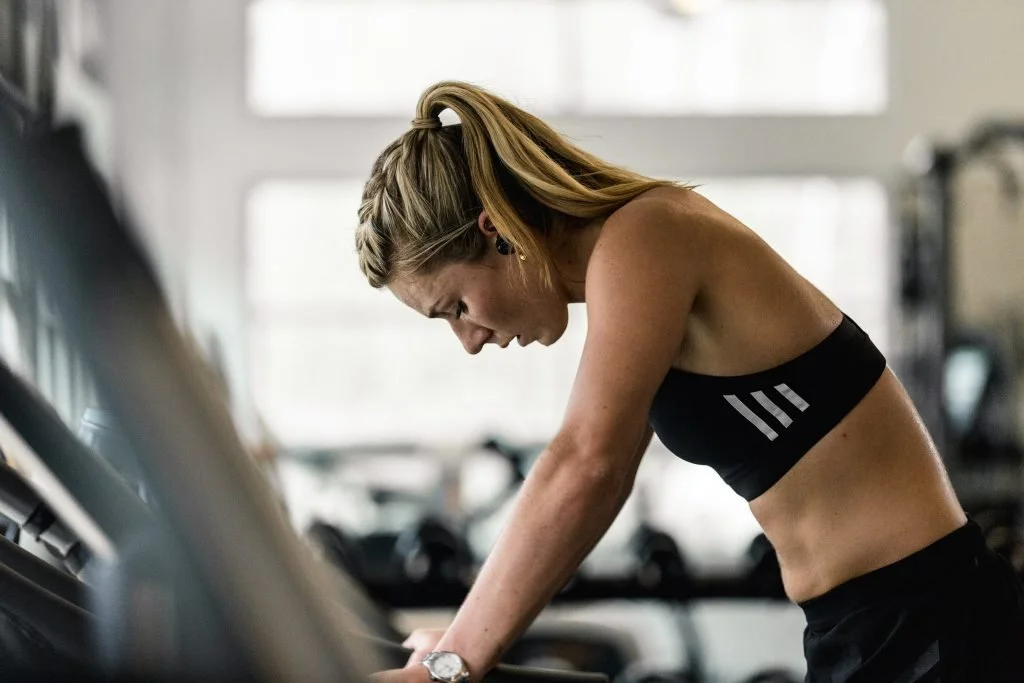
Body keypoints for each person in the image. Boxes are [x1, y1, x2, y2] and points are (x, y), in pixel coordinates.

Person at [355, 81, 1024, 683]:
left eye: (456, 307)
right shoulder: (632, 263)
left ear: (496, 230)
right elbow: (587, 477)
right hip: (862, 625)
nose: (468, 339)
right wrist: (467, 638)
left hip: (934, 625)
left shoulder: (646, 236)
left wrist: (455, 664)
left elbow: (588, 462)